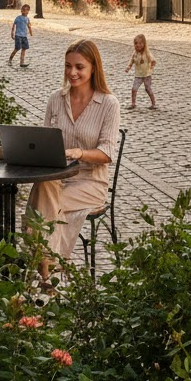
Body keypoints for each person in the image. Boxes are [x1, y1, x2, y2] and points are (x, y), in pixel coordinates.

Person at [24, 39, 121, 285]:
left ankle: (46, 277)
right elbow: (45, 140)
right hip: (56, 177)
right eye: (68, 66)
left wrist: (80, 153)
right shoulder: (56, 99)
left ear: (93, 69)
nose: (72, 73)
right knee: (44, 189)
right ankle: (51, 280)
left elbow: (107, 153)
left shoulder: (108, 104)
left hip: (90, 182)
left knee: (39, 216)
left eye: (79, 67)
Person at [124, 33, 157, 109]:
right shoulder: (135, 53)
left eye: (140, 43)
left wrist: (152, 64)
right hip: (138, 75)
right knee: (134, 89)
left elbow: (152, 59)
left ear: (144, 44)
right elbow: (131, 61)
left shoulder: (147, 52)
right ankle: (133, 104)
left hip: (146, 75)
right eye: (136, 43)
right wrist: (128, 67)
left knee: (148, 89)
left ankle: (153, 103)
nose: (138, 45)